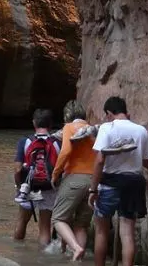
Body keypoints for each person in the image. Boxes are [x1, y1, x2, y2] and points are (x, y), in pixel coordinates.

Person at [88, 96, 148, 266]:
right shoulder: (141, 130)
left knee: (101, 231)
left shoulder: (107, 128)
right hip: (134, 183)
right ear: (126, 112)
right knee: (127, 234)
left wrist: (92, 189)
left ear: (109, 113)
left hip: (109, 183)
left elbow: (99, 160)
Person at [51, 100, 95, 260]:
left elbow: (66, 151)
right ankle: (79, 258)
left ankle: (76, 248)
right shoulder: (92, 130)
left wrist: (55, 173)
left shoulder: (69, 128)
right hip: (94, 181)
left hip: (75, 178)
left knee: (58, 218)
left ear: (67, 116)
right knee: (81, 224)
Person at [13, 108, 61, 246]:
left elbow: (17, 169)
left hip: (29, 187)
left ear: (34, 123)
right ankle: (43, 257)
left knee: (22, 222)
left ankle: (17, 253)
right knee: (45, 227)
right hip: (49, 187)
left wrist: (19, 187)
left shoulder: (25, 141)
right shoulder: (57, 143)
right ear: (51, 124)